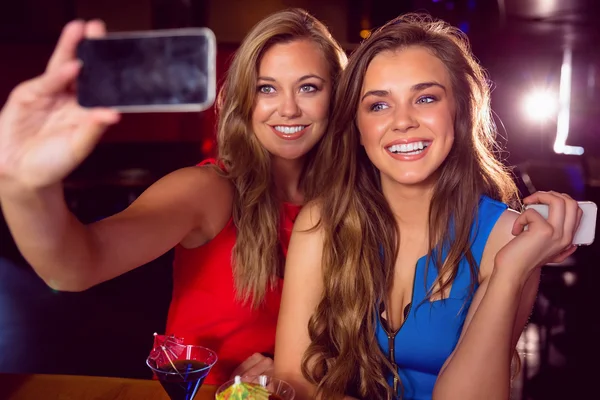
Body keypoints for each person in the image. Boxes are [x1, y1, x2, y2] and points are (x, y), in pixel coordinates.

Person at [0, 8, 346, 385]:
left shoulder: (350, 201)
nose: (289, 107)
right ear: (244, 100)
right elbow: (75, 266)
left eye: (309, 87)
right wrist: (22, 184)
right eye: (266, 88)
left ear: (337, 96)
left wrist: (290, 371)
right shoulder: (207, 189)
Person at [274, 13, 581, 399]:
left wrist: (510, 270)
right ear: (357, 127)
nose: (403, 121)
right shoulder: (320, 223)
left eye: (425, 98)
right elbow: (294, 380)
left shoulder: (509, 239)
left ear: (460, 110)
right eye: (378, 106)